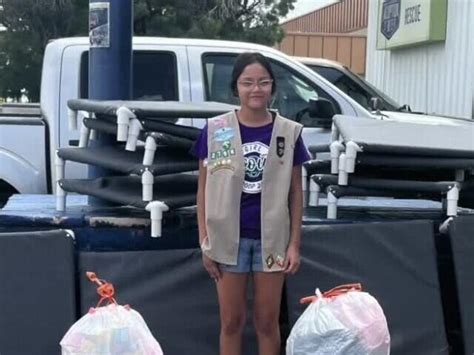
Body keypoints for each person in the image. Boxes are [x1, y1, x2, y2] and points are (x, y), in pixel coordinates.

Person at [192, 52, 311, 355]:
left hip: (271, 241)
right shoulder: (216, 129)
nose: (255, 89)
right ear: (236, 87)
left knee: (267, 323)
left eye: (263, 82)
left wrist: (294, 244)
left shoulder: (288, 132)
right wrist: (204, 240)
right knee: (231, 322)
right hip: (226, 239)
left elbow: (296, 192)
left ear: (272, 87)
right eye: (247, 83)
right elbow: (203, 190)